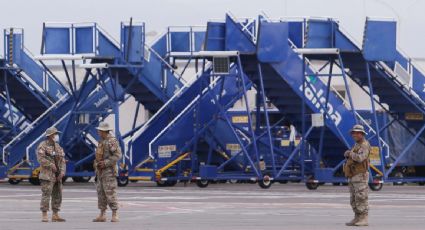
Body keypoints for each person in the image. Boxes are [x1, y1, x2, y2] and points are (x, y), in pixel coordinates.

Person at [93, 122, 122, 222]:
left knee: (110, 192)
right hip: (100, 172)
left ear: (103, 131)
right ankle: (102, 214)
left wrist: (106, 163)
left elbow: (118, 155)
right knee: (101, 193)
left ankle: (115, 214)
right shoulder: (101, 141)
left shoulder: (111, 141)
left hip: (109, 172)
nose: (98, 131)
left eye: (99, 130)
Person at [36, 127, 66, 222]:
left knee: (58, 194)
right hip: (47, 175)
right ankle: (44, 214)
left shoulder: (57, 146)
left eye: (56, 134)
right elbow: (40, 159)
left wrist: (62, 171)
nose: (56, 136)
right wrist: (50, 164)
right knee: (46, 194)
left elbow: (62, 160)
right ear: (50, 135)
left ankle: (55, 214)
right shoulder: (43, 145)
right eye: (55, 134)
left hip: (57, 175)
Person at [343, 124, 370, 226]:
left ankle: (364, 218)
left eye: (356, 133)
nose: (354, 135)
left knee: (361, 197)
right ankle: (357, 217)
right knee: (354, 198)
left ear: (362, 134)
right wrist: (348, 154)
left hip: (360, 175)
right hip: (353, 175)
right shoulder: (356, 145)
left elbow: (361, 158)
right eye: (353, 133)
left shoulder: (364, 145)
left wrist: (350, 154)